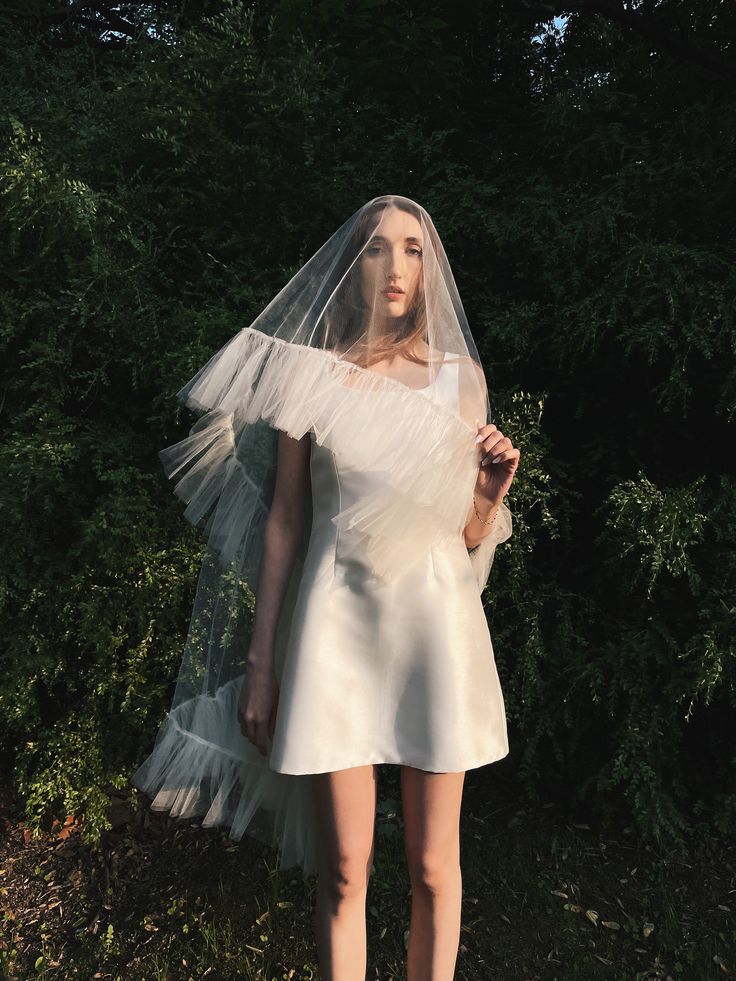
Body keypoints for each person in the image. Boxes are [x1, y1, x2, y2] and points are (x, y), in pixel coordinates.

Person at [133, 194, 520, 981]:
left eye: (414, 249)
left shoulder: (463, 381)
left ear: (430, 268)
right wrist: (265, 665)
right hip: (336, 628)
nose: (397, 266)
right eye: (378, 249)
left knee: (434, 867)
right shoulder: (311, 379)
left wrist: (488, 495)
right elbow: (284, 520)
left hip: (434, 631)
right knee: (344, 868)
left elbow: (468, 537)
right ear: (353, 267)